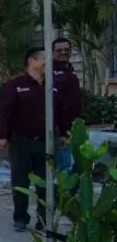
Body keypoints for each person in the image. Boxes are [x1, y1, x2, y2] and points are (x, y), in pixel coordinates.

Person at [0, 47, 54, 232]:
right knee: (20, 182)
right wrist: (1, 137)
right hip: (21, 142)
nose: (47, 62)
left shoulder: (52, 85)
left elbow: (61, 111)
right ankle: (20, 217)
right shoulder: (14, 85)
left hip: (46, 142)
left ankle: (44, 220)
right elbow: (4, 113)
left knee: (45, 183)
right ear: (32, 61)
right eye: (44, 58)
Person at [51, 38, 82, 172]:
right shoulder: (50, 72)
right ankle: (59, 193)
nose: (63, 52)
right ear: (52, 52)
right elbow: (56, 104)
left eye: (67, 49)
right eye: (59, 50)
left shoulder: (70, 69)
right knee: (63, 168)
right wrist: (61, 130)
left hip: (73, 127)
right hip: (60, 131)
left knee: (71, 165)